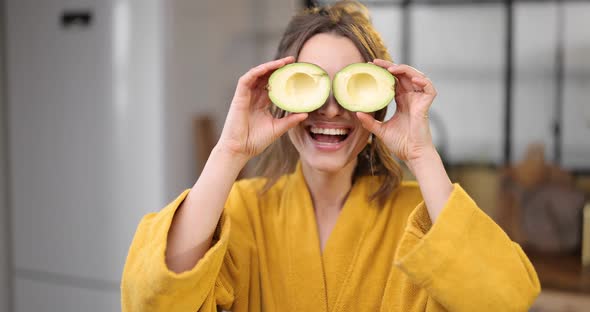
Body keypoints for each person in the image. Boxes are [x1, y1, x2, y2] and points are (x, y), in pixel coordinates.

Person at [121, 1, 540, 311]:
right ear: (279, 96)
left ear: (380, 103)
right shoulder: (241, 211)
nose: (332, 109)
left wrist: (421, 153)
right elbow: (153, 300)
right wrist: (230, 151)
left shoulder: (422, 216)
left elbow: (506, 301)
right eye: (311, 85)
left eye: (350, 87)